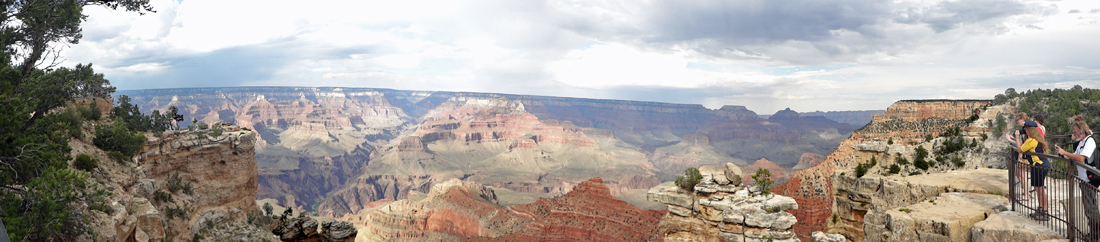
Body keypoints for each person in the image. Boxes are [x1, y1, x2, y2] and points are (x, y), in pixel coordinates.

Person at [1056, 115, 1098, 238]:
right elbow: (1074, 155)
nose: (1074, 134)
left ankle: (1096, 235)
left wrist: (1065, 153)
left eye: (1075, 132)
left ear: (1082, 131)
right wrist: (1063, 154)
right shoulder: (1081, 142)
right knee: (1089, 208)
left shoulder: (1089, 141)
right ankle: (1094, 232)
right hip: (1083, 179)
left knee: (1091, 209)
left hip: (1089, 179)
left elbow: (1080, 158)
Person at [1018, 125, 1050, 221]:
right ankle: (1041, 209)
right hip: (1040, 165)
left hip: (1039, 166)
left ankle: (1044, 211)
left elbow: (1020, 149)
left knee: (1040, 190)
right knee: (1038, 188)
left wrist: (1016, 137)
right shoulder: (1036, 139)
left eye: (1026, 130)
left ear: (1029, 130)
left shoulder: (1031, 140)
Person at [1005, 112, 1030, 199]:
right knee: (1018, 173)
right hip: (1020, 154)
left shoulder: (1025, 129)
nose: (1017, 121)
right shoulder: (1024, 129)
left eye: (1018, 119)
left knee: (1022, 174)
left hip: (1022, 155)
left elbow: (1022, 144)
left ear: (1023, 119)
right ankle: (1026, 191)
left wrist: (1011, 141)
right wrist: (1014, 138)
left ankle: (1027, 194)